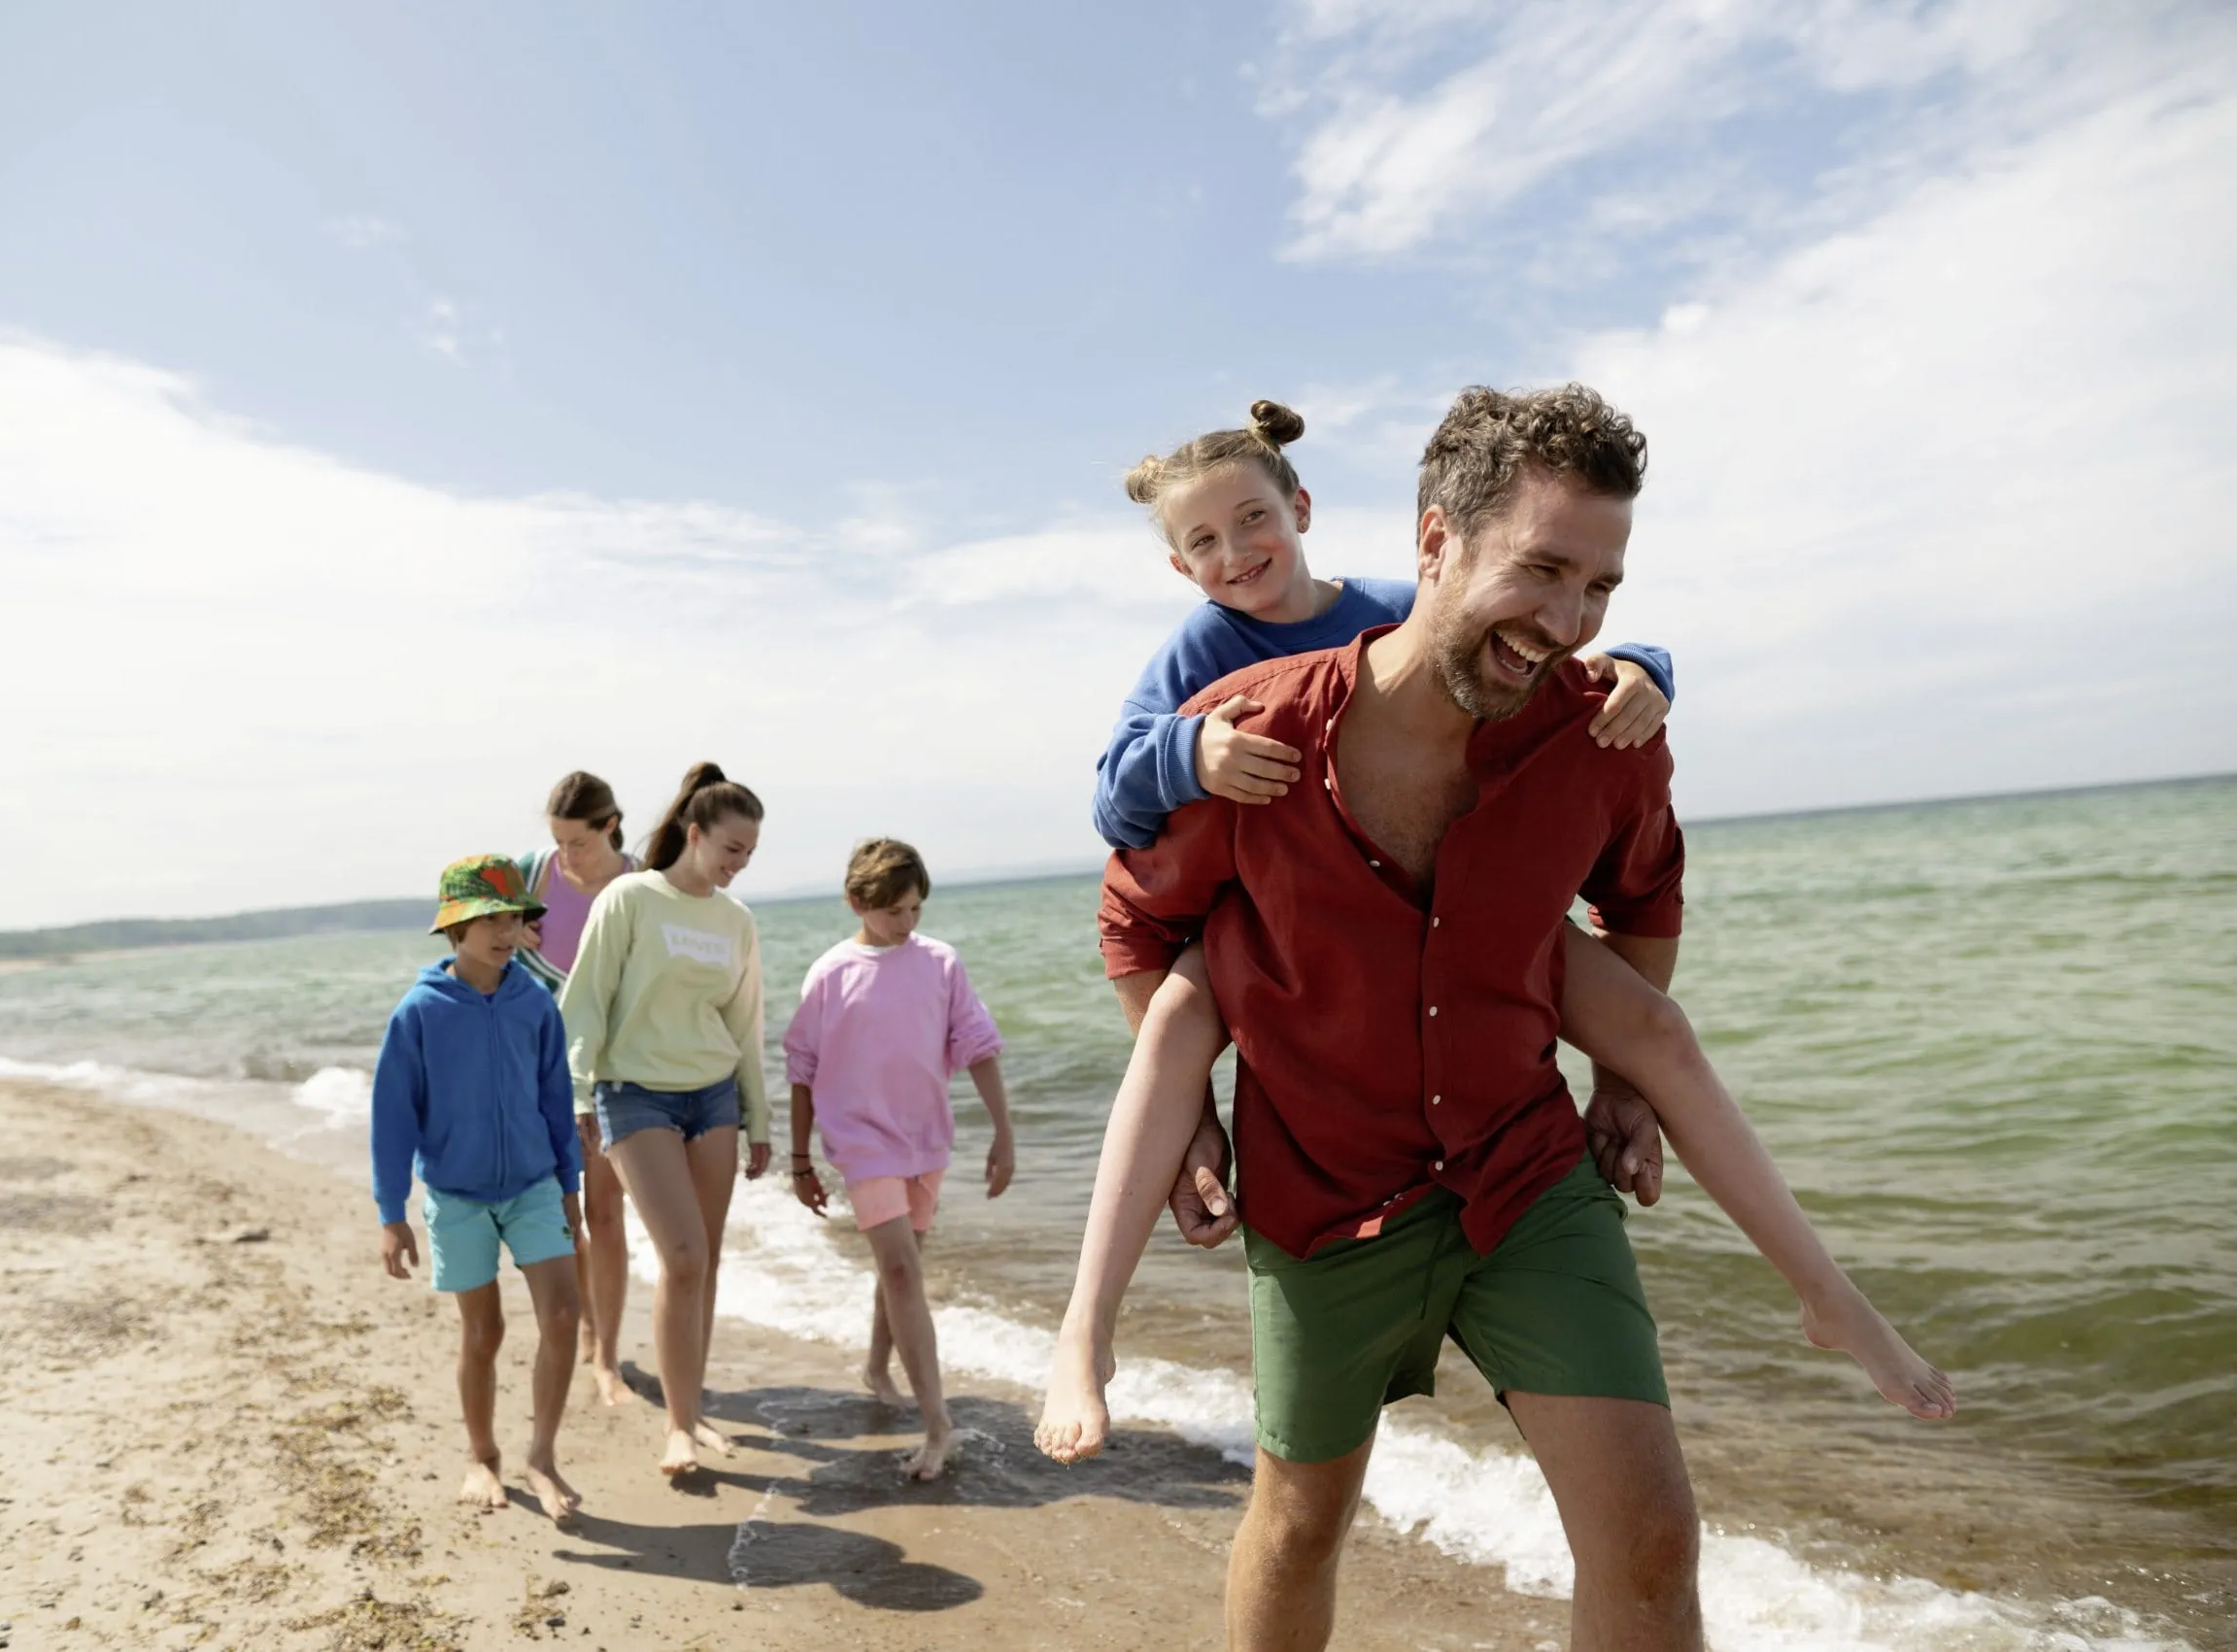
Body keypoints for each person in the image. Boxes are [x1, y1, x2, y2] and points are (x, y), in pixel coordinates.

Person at [1051, 387, 1949, 1650]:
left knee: (1649, 1539)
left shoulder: (1601, 732)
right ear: (1433, 543)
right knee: (1303, 1522)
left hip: (1524, 1175)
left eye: (1600, 589)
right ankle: (1082, 1330)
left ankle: (1824, 1294)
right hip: (1324, 1194)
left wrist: (1624, 1096)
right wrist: (1193, 1115)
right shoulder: (1238, 739)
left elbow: (1642, 894)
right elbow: (1138, 921)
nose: (1568, 623)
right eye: (1540, 571)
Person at [1090, 398, 1676, 854]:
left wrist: (1637, 668)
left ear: (1300, 509)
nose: (1236, 550)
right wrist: (1190, 755)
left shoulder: (1396, 609)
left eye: (1252, 517)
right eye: (1204, 541)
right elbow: (1113, 807)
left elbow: (1521, 651)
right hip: (1269, 891)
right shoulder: (1202, 648)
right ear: (1182, 567)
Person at [559, 761, 770, 1478]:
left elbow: (745, 1025)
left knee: (703, 1265)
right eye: (731, 848)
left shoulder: (736, 920)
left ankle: (692, 1411)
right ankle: (677, 1429)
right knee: (681, 1257)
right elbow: (584, 1001)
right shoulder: (630, 899)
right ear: (695, 833)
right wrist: (581, 1092)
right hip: (634, 1093)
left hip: (713, 1096)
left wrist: (759, 1116)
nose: (739, 864)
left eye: (749, 853)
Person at [783, 837, 1015, 1482]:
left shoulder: (941, 963)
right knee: (903, 1271)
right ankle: (937, 1424)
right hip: (861, 1144)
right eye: (894, 912)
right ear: (857, 902)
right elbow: (802, 1071)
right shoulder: (829, 973)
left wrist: (1004, 1132)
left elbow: (978, 1047)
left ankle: (878, 1366)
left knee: (902, 1263)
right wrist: (800, 1160)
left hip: (925, 1139)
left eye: (915, 909)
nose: (907, 923)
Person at [370, 855, 586, 1520]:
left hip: (532, 1185)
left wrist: (569, 1184)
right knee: (483, 1330)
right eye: (485, 918)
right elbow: (393, 1114)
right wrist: (391, 1210)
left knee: (561, 1314)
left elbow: (556, 1098)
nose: (502, 930)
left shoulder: (535, 1004)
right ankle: (481, 1453)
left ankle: (542, 1455)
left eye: (513, 917)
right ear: (453, 928)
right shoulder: (419, 1013)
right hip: (457, 1195)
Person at [512, 771, 643, 1408]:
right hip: (537, 1062)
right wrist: (511, 925)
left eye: (578, 843)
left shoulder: (640, 884)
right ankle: (586, 1320)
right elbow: (461, 917)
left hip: (609, 1069)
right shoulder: (533, 871)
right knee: (566, 1211)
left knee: (606, 1211)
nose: (567, 856)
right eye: (558, 840)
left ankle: (609, 1354)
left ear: (610, 826)